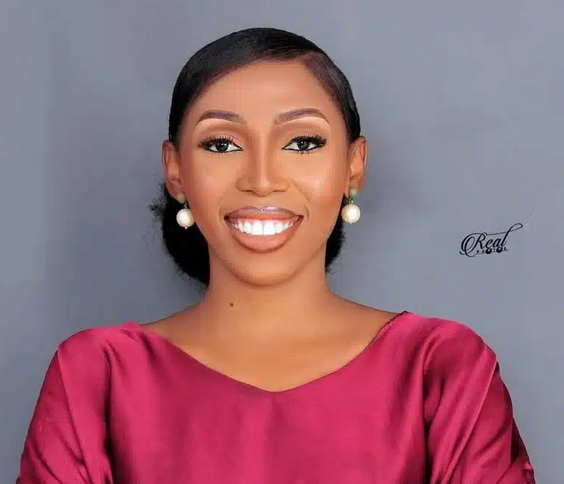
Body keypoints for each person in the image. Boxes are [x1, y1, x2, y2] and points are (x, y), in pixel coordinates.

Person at [16, 27, 535, 483]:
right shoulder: (98, 376)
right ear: (176, 172)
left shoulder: (441, 368)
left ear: (353, 166)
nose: (261, 180)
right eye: (222, 145)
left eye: (302, 143)